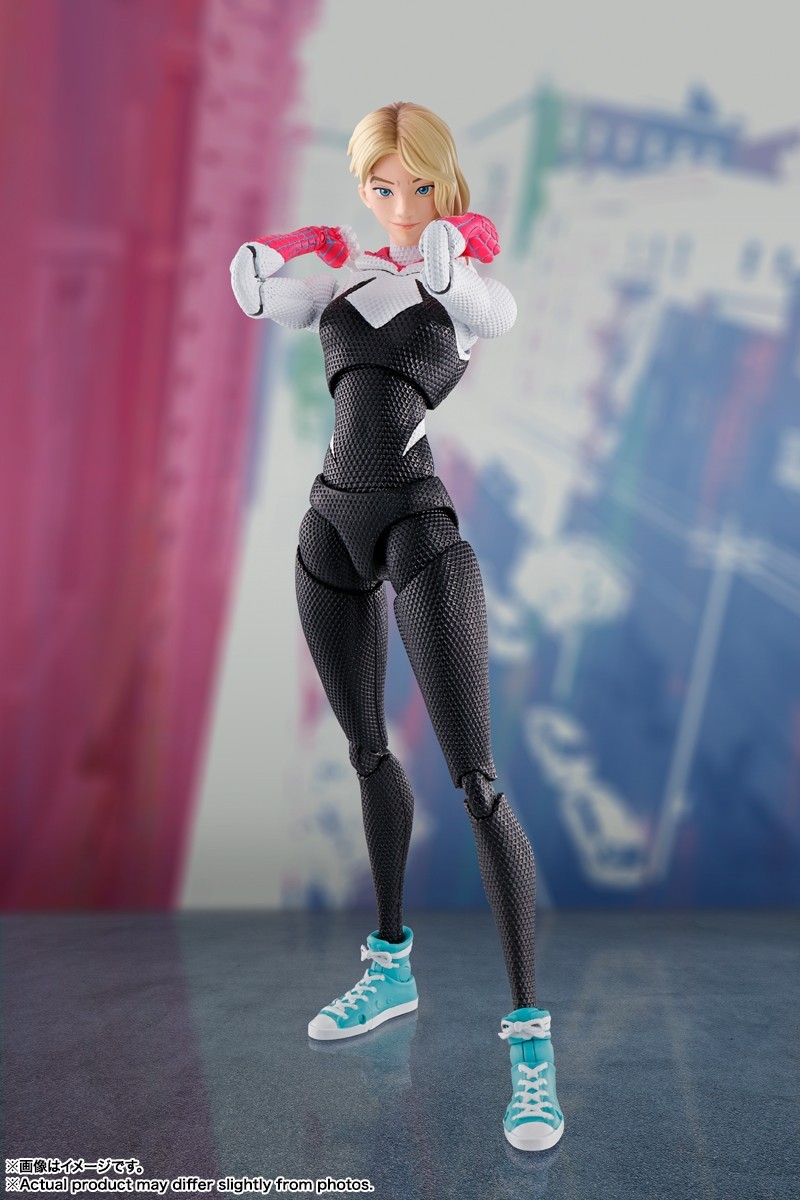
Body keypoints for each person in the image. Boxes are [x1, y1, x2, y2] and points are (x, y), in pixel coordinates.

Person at [230, 101, 564, 1152]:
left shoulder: (463, 286)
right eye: (382, 186)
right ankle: (389, 970)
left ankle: (530, 1047)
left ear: (444, 183)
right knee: (367, 754)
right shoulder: (346, 277)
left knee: (476, 780)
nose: (400, 204)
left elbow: (490, 308)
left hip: (418, 528)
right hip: (327, 526)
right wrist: (285, 254)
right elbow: (259, 288)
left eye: (418, 185)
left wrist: (450, 250)